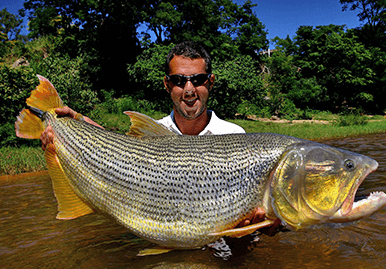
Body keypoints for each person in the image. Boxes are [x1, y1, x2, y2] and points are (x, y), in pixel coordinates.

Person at [40, 41, 273, 231]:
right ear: (167, 84)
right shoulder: (153, 132)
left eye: (198, 80)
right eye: (179, 81)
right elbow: (119, 157)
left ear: (210, 82)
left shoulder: (235, 136)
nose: (189, 89)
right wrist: (77, 123)